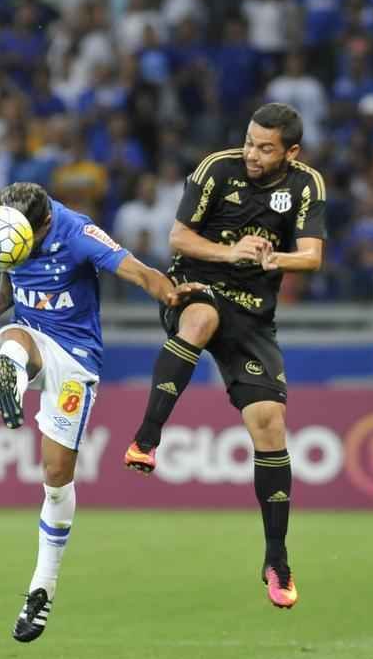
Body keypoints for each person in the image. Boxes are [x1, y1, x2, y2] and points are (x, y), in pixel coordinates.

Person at [0, 182, 201, 643]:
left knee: (56, 479)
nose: (18, 246)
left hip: (75, 360)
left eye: (26, 238)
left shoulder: (77, 233)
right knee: (10, 339)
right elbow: (9, 272)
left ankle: (42, 588)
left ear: (45, 223)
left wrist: (172, 296)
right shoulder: (11, 230)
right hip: (32, 339)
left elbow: (136, 271)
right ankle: (11, 379)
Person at [123, 102, 327, 609]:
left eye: (265, 148)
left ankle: (276, 559)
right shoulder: (217, 168)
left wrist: (272, 258)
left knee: (270, 423)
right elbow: (178, 236)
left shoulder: (306, 185)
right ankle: (146, 438)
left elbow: (312, 256)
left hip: (253, 314)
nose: (252, 153)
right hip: (197, 285)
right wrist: (230, 252)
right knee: (200, 320)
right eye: (250, 141)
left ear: (291, 152)